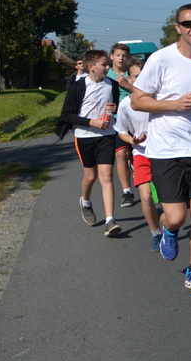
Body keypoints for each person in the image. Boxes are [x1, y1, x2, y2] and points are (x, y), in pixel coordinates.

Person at [131, 4, 191, 295]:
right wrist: (173, 104)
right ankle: (168, 230)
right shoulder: (161, 59)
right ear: (177, 27)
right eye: (187, 23)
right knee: (176, 216)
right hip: (167, 148)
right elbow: (137, 100)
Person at [57, 49, 121, 237]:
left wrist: (113, 109)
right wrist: (91, 122)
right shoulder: (78, 87)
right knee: (90, 177)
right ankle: (85, 201)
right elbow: (66, 115)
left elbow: (115, 106)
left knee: (107, 177)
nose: (107, 67)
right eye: (104, 64)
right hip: (84, 136)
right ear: (91, 67)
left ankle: (110, 221)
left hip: (107, 135)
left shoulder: (112, 84)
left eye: (107, 64)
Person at [113, 96, 163, 250]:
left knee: (168, 201)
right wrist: (132, 141)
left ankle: (169, 229)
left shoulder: (161, 96)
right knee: (146, 196)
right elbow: (121, 131)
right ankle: (156, 233)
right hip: (141, 154)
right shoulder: (125, 104)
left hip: (164, 152)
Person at [108, 43, 139, 208]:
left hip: (136, 118)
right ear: (111, 56)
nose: (121, 59)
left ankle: (141, 175)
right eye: (118, 55)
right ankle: (127, 191)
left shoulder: (133, 73)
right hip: (116, 119)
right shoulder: (107, 74)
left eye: (124, 56)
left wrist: (129, 86)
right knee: (121, 154)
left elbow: (145, 93)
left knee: (136, 153)